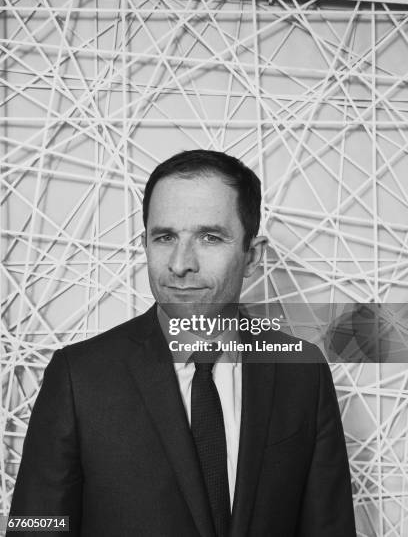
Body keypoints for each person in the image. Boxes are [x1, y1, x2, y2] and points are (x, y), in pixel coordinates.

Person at [7, 150, 356, 536]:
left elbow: (329, 527)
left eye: (209, 237)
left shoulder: (302, 372)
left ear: (253, 256)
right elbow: (35, 526)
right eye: (165, 237)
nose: (180, 263)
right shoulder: (79, 377)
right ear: (145, 244)